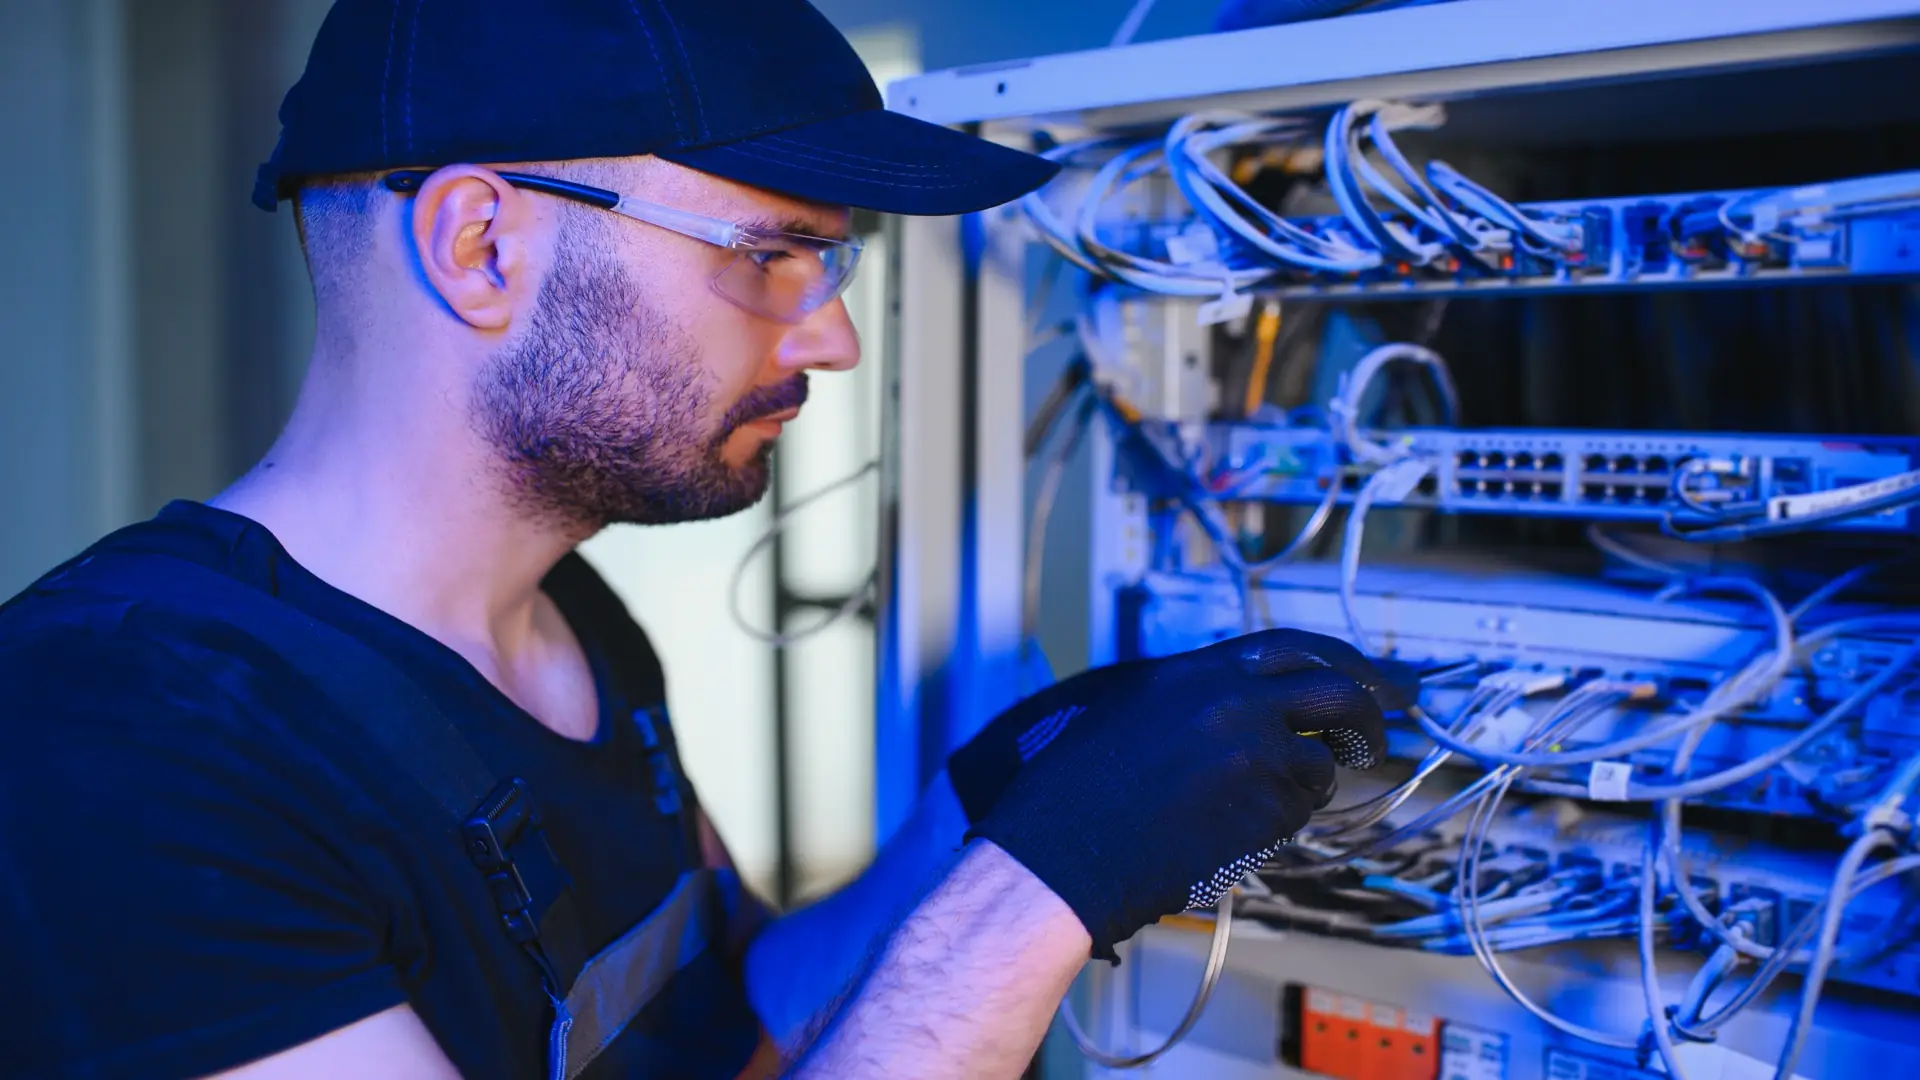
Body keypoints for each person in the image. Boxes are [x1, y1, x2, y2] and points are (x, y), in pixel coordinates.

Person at [0, 1, 1394, 1078]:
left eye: (830, 260)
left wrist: (989, 817)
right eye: (766, 253)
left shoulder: (571, 622)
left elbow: (746, 1023)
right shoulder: (114, 740)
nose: (836, 335)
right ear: (479, 245)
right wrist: (1031, 904)